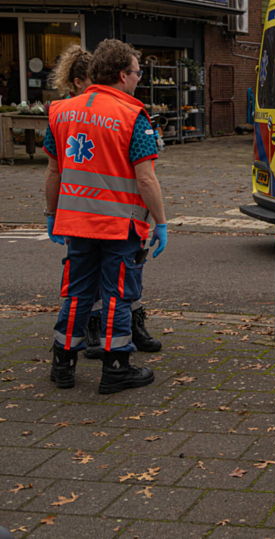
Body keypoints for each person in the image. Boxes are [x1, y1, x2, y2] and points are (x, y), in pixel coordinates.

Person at [43, 39, 168, 393]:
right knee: (116, 296)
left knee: (78, 292)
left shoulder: (61, 112)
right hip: (118, 224)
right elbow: (146, 178)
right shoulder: (133, 116)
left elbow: (54, 172)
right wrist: (160, 222)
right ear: (121, 75)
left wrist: (52, 214)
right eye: (137, 73)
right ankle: (116, 367)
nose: (138, 79)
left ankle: (63, 363)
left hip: (76, 223)